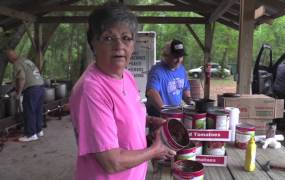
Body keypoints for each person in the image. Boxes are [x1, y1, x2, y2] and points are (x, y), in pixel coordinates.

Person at [69, 2, 175, 180]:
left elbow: (124, 116)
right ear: (93, 43)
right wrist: (155, 150)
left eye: (126, 38)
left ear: (133, 44)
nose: (119, 46)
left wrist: (149, 120)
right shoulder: (92, 89)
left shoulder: (127, 76)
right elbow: (112, 162)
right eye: (108, 38)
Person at [5, 49, 45, 142]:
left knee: (29, 111)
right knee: (37, 110)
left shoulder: (17, 63)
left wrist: (18, 93)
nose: (9, 60)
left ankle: (31, 134)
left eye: (8, 58)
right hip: (41, 87)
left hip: (32, 89)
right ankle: (39, 130)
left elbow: (22, 78)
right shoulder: (26, 60)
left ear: (11, 56)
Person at [146, 39, 192, 117]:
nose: (179, 60)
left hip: (175, 113)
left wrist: (190, 102)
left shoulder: (182, 69)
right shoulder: (157, 71)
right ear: (166, 56)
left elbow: (185, 89)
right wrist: (165, 112)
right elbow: (151, 92)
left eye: (181, 56)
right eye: (175, 57)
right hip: (158, 115)